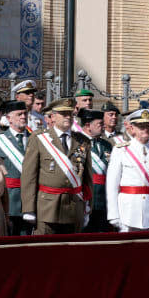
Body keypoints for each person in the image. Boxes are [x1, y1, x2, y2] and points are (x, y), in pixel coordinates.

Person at [21, 98, 93, 235]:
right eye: (63, 113)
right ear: (52, 117)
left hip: (74, 207)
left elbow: (87, 178)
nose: (68, 117)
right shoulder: (39, 139)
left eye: (70, 114)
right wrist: (29, 209)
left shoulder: (83, 141)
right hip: (47, 207)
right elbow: (29, 176)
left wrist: (88, 206)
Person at [106, 109, 149, 232]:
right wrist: (113, 214)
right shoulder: (121, 150)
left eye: (147, 125)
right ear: (132, 128)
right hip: (127, 211)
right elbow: (112, 184)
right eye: (141, 126)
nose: (145, 129)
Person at [0, 101, 31, 235]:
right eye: (19, 114)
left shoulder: (35, 139)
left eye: (25, 113)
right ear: (8, 118)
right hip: (9, 199)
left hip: (31, 200)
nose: (23, 117)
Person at [77, 109, 113, 233]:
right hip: (86, 198)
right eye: (100, 124)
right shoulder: (77, 143)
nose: (104, 127)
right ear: (88, 126)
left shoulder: (107, 145)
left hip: (105, 200)